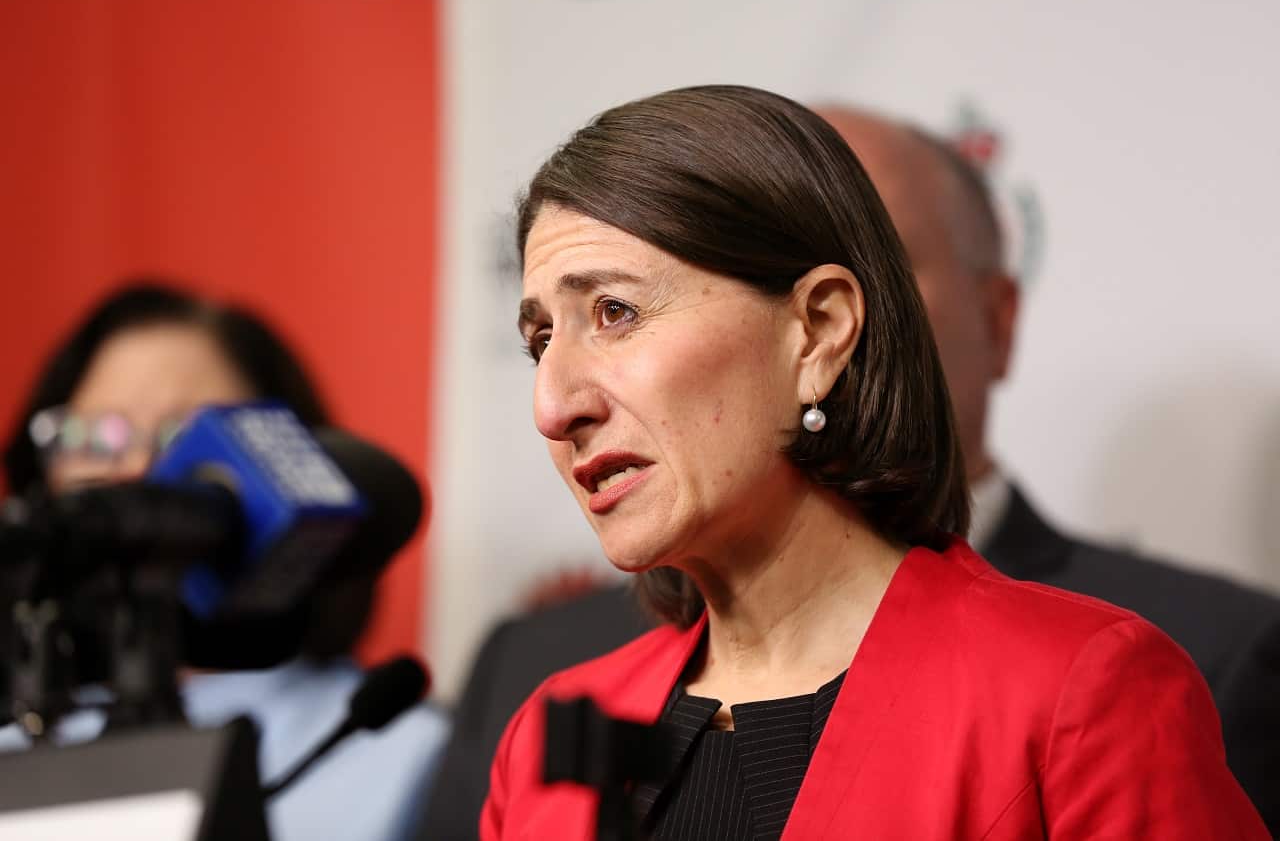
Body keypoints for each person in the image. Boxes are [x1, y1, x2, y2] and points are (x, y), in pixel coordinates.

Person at [417, 99, 1280, 838]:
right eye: (539, 340)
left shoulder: (1079, 693)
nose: (553, 404)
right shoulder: (547, 735)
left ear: (820, 330)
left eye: (615, 311)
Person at [0, 282, 449, 841]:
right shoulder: (16, 736)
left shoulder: (401, 752)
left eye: (186, 439)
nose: (138, 472)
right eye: (95, 437)